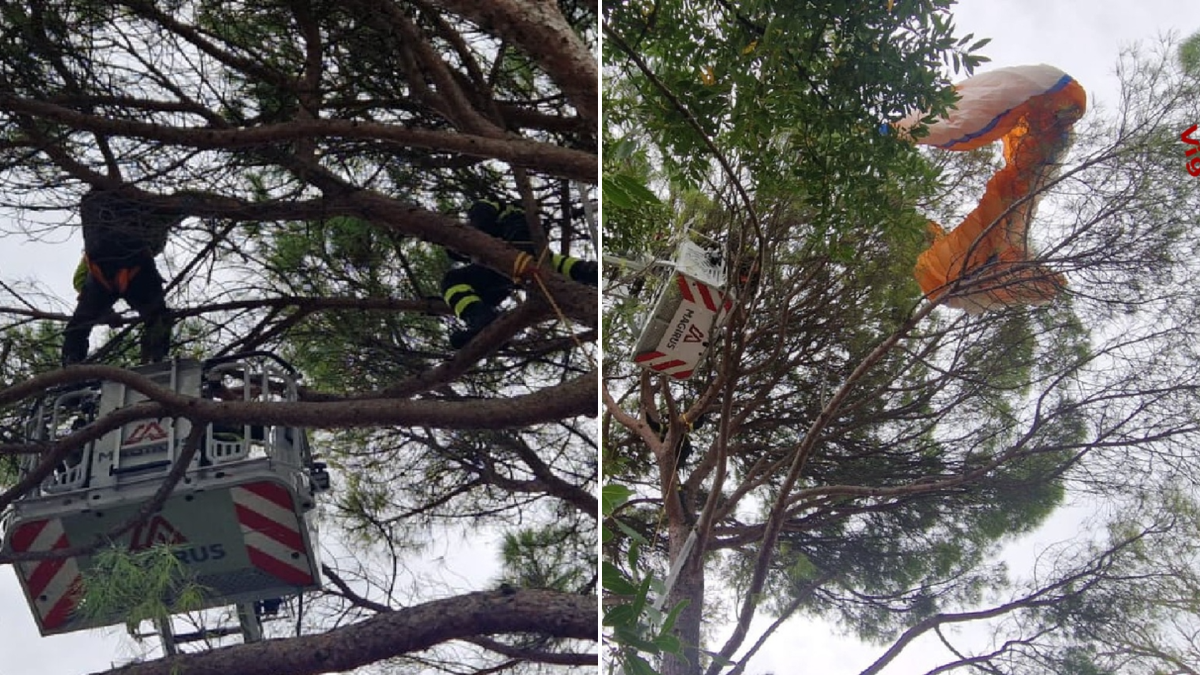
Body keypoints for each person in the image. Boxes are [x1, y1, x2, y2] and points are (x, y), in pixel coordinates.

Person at [441, 199, 598, 349]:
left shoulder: (482, 209)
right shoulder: (509, 216)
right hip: (526, 256)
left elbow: (483, 221)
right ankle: (600, 274)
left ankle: (482, 321)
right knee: (565, 266)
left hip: (515, 251)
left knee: (453, 280)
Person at [61, 188, 187, 366]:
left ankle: (71, 362)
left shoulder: (97, 250)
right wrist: (107, 313)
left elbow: (80, 281)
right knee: (158, 316)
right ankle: (156, 357)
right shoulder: (135, 245)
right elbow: (80, 279)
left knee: (79, 326)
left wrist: (105, 313)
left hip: (108, 276)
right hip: (128, 270)